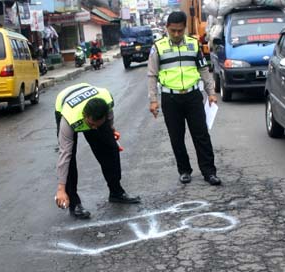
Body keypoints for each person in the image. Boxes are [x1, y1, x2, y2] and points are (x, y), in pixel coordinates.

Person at [147, 11, 221, 186]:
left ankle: (209, 172)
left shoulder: (194, 45)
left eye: (180, 31)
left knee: (201, 134)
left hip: (193, 96)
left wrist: (211, 93)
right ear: (167, 28)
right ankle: (184, 170)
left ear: (185, 28)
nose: (176, 34)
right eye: (173, 31)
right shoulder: (158, 47)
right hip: (170, 99)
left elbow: (204, 70)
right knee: (176, 137)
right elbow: (152, 75)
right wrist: (153, 100)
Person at [55, 83, 141, 219]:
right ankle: (75, 203)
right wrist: (61, 189)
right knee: (70, 158)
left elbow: (110, 117)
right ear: (85, 116)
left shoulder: (106, 100)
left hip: (93, 106)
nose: (93, 128)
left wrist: (111, 130)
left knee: (111, 148)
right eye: (91, 124)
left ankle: (116, 192)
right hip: (65, 105)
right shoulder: (69, 118)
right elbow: (65, 154)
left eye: (97, 125)